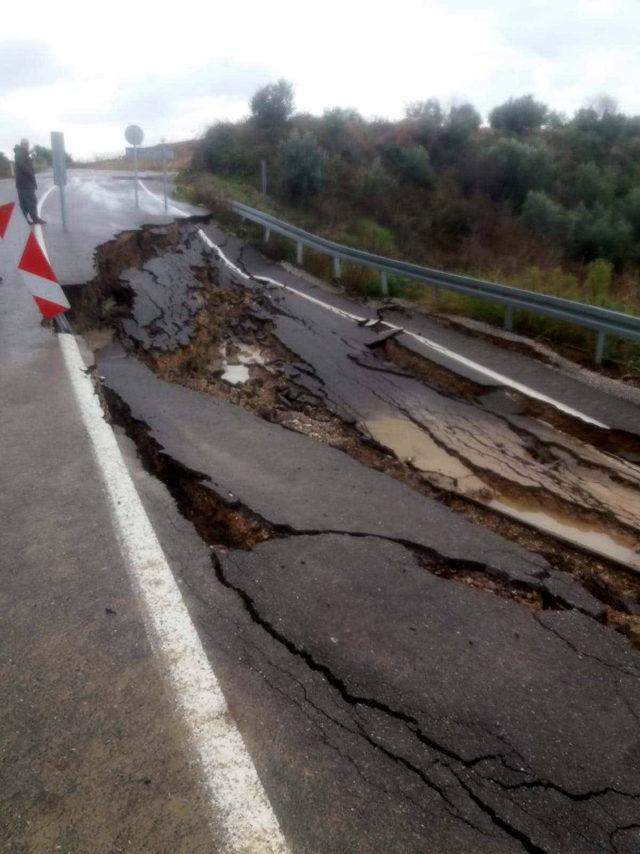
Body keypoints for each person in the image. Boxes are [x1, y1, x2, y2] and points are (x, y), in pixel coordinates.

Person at [13, 139, 45, 225]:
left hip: (23, 183)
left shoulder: (21, 153)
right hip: (25, 183)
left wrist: (30, 157)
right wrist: (31, 173)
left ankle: (24, 220)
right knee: (31, 201)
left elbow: (24, 163)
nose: (28, 146)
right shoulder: (20, 153)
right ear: (24, 145)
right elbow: (23, 166)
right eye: (27, 145)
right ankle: (34, 219)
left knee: (25, 203)